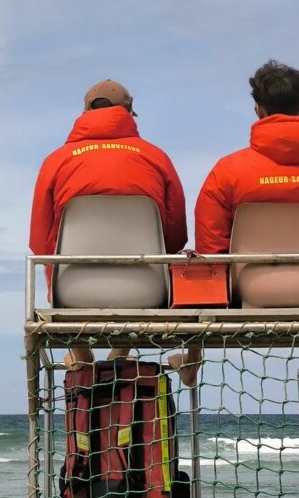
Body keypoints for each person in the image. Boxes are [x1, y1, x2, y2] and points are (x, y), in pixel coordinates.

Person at [170, 60, 299, 387]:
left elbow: (212, 254)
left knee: (199, 275)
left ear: (257, 109)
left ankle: (192, 358)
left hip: (251, 290)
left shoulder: (227, 172)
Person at [30, 80, 187, 369]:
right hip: (148, 290)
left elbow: (40, 243)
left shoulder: (56, 161)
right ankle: (120, 355)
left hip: (72, 292)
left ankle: (79, 356)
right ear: (129, 113)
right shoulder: (157, 157)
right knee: (151, 259)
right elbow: (175, 238)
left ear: (84, 112)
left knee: (52, 257)